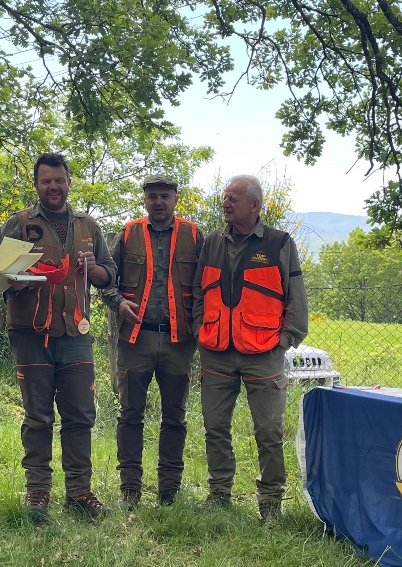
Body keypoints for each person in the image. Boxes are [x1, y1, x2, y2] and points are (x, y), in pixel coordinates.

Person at [1, 152, 116, 522]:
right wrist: (15, 280)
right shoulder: (18, 224)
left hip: (77, 333)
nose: (54, 186)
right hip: (31, 333)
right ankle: (37, 492)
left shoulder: (87, 226)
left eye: (59, 180)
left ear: (68, 182)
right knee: (38, 417)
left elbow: (109, 275)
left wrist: (94, 268)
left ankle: (79, 492)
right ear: (37, 185)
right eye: (46, 180)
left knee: (81, 415)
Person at [192, 175, 308, 525]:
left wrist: (284, 341)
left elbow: (296, 299)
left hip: (265, 354)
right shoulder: (210, 242)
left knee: (269, 432)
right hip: (216, 350)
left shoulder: (279, 243)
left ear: (255, 205)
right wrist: (200, 330)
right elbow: (198, 293)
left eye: (233, 199)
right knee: (215, 427)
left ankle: (270, 505)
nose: (225, 204)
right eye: (224, 198)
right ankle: (219, 495)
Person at [102, 174, 203, 508]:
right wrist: (118, 302)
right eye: (152, 196)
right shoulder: (127, 234)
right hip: (136, 340)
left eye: (165, 195)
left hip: (179, 342)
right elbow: (105, 279)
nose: (158, 201)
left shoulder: (194, 235)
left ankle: (169, 491)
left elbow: (207, 285)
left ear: (176, 199)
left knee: (175, 416)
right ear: (144, 200)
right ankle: (129, 490)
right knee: (130, 414)